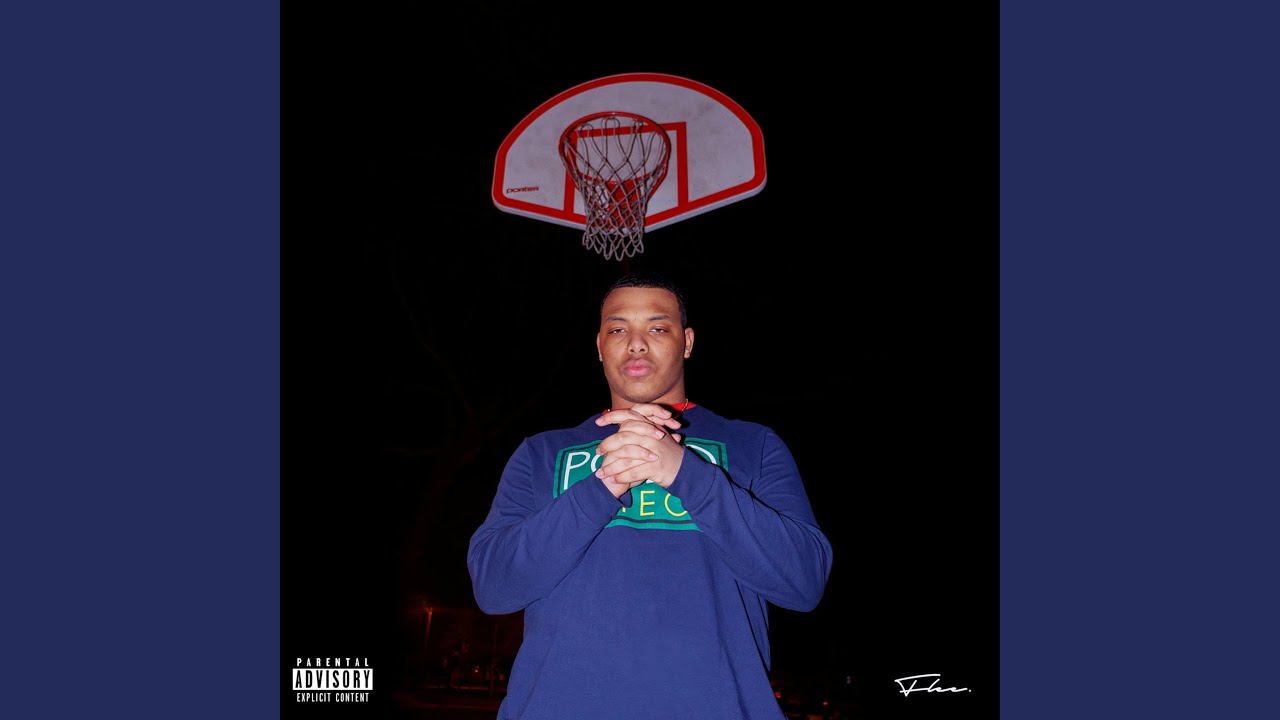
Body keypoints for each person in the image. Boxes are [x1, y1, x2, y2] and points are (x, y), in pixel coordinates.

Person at [467, 272, 832, 719]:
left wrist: (686, 474)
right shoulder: (540, 453)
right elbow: (494, 588)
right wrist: (602, 486)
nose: (636, 344)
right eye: (618, 330)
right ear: (599, 346)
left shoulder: (753, 445)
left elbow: (804, 582)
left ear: (687, 342)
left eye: (657, 328)